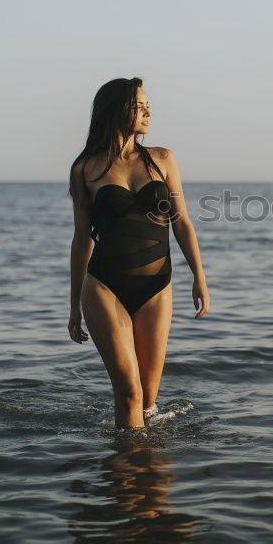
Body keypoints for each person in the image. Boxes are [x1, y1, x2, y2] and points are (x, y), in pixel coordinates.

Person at [66, 77, 210, 429]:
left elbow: (182, 223)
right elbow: (82, 238)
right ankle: (124, 473)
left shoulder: (163, 159)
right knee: (129, 392)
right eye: (139, 105)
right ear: (116, 110)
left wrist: (199, 278)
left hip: (157, 287)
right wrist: (74, 306)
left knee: (147, 398)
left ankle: (148, 474)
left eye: (148, 105)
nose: (148, 112)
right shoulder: (85, 168)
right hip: (104, 287)